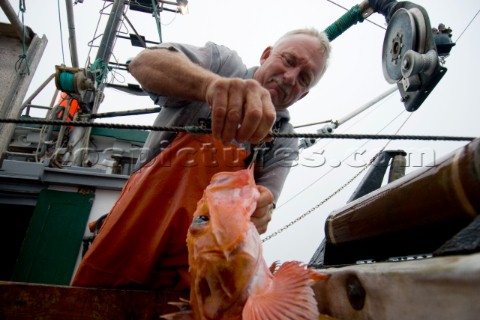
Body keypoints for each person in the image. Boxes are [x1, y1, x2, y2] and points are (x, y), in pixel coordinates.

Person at [71, 28, 331, 290]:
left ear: (304, 94)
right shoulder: (223, 65)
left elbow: (265, 206)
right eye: (288, 60)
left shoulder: (285, 139)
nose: (290, 77)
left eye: (304, 78)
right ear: (266, 55)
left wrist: (263, 208)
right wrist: (209, 86)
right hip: (134, 236)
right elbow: (143, 63)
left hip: (201, 267)